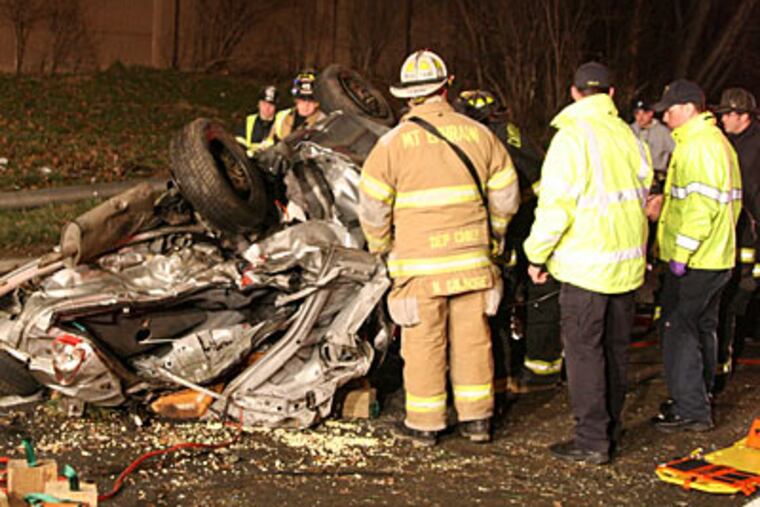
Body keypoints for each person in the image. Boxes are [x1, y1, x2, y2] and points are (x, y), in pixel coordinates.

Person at [358, 50, 520, 446]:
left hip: (419, 266)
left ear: (407, 96)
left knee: (423, 342)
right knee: (473, 339)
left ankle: (426, 425)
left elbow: (373, 206)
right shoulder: (480, 135)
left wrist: (383, 247)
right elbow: (507, 196)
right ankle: (477, 420)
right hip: (471, 261)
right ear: (447, 87)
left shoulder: (392, 144)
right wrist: (494, 234)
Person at [524, 62, 652, 465]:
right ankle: (609, 428)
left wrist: (536, 254)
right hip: (626, 267)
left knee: (583, 355)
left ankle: (591, 439)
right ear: (611, 94)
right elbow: (644, 194)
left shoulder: (571, 138)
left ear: (575, 93)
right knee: (615, 352)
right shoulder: (631, 138)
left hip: (584, 269)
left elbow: (555, 207)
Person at [456, 90, 562, 395]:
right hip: (539, 222)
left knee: (512, 300)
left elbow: (502, 196)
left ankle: (521, 374)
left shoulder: (486, 140)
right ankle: (541, 367)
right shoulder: (511, 133)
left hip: (523, 225)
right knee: (539, 297)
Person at [650, 79, 741, 432]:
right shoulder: (714, 143)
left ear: (688, 108)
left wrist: (682, 253)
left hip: (697, 259)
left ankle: (691, 409)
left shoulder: (698, 147)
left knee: (679, 329)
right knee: (703, 327)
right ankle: (698, 397)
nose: (665, 117)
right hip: (716, 256)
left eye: (669, 110)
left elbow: (701, 208)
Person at [714, 88, 760, 392]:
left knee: (745, 289)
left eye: (727, 114)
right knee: (731, 297)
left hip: (752, 233)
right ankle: (722, 363)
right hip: (733, 231)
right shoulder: (725, 143)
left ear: (743, 116)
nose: (722, 119)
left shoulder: (756, 145)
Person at [265, 70, 326, 145]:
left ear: (317, 103)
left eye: (311, 101)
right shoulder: (282, 116)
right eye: (302, 100)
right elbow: (269, 141)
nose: (306, 105)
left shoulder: (324, 122)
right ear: (296, 100)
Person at [630, 99, 675, 177]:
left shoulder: (663, 131)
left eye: (644, 113)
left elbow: (675, 150)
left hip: (657, 174)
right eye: (637, 113)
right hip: (636, 174)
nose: (640, 117)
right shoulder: (630, 130)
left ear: (651, 113)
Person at [235, 85, 279, 156]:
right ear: (258, 104)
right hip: (248, 163)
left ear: (276, 106)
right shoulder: (247, 122)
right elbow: (238, 142)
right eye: (264, 104)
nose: (267, 108)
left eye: (271, 105)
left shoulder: (281, 123)